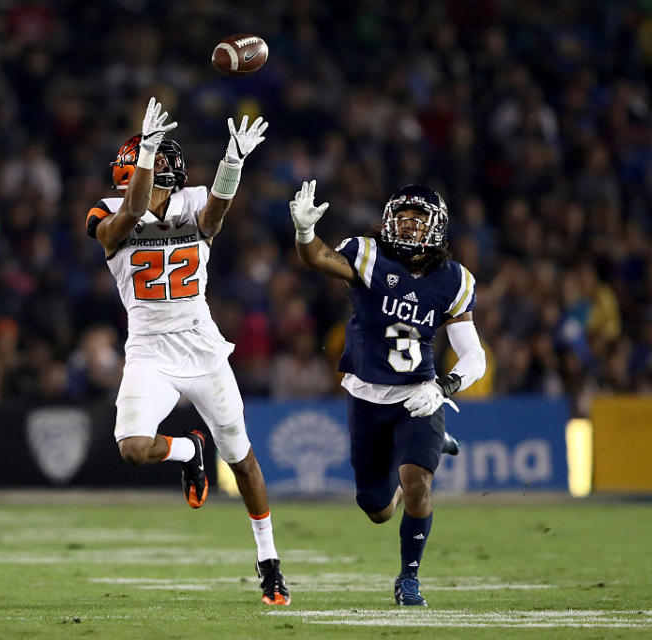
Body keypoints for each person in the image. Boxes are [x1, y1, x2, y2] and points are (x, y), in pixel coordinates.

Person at [85, 97, 289, 605]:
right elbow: (128, 215)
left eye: (138, 159)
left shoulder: (191, 200)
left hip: (201, 347)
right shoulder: (108, 210)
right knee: (133, 447)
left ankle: (270, 564)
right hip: (149, 350)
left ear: (162, 172)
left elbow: (215, 218)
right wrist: (149, 154)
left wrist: (232, 164)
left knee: (241, 458)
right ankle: (186, 449)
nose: (128, 166)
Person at [288, 181, 486, 606]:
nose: (409, 225)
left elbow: (474, 356)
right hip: (366, 394)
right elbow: (318, 258)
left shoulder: (455, 281)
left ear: (437, 227)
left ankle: (409, 578)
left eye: (419, 218)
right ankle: (422, 449)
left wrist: (442, 387)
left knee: (417, 483)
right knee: (377, 509)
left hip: (418, 394)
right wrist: (305, 234)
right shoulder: (367, 253)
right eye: (403, 216)